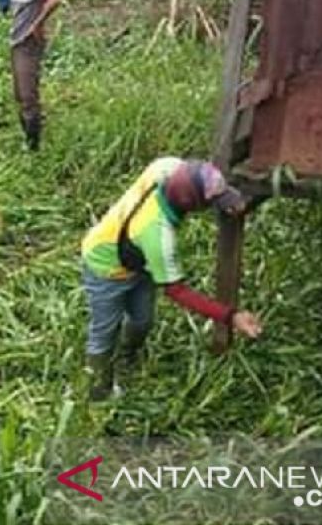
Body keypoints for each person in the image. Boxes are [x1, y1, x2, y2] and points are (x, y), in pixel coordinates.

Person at [80, 158, 263, 401]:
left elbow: (194, 177)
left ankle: (127, 358)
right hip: (105, 267)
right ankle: (98, 393)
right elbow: (177, 291)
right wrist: (232, 316)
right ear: (191, 204)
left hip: (137, 258)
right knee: (104, 332)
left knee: (142, 320)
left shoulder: (166, 167)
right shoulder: (158, 234)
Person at [1, 0, 63, 150]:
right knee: (20, 92)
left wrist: (37, 24)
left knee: (27, 94)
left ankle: (34, 147)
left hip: (28, 42)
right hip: (17, 41)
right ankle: (28, 142)